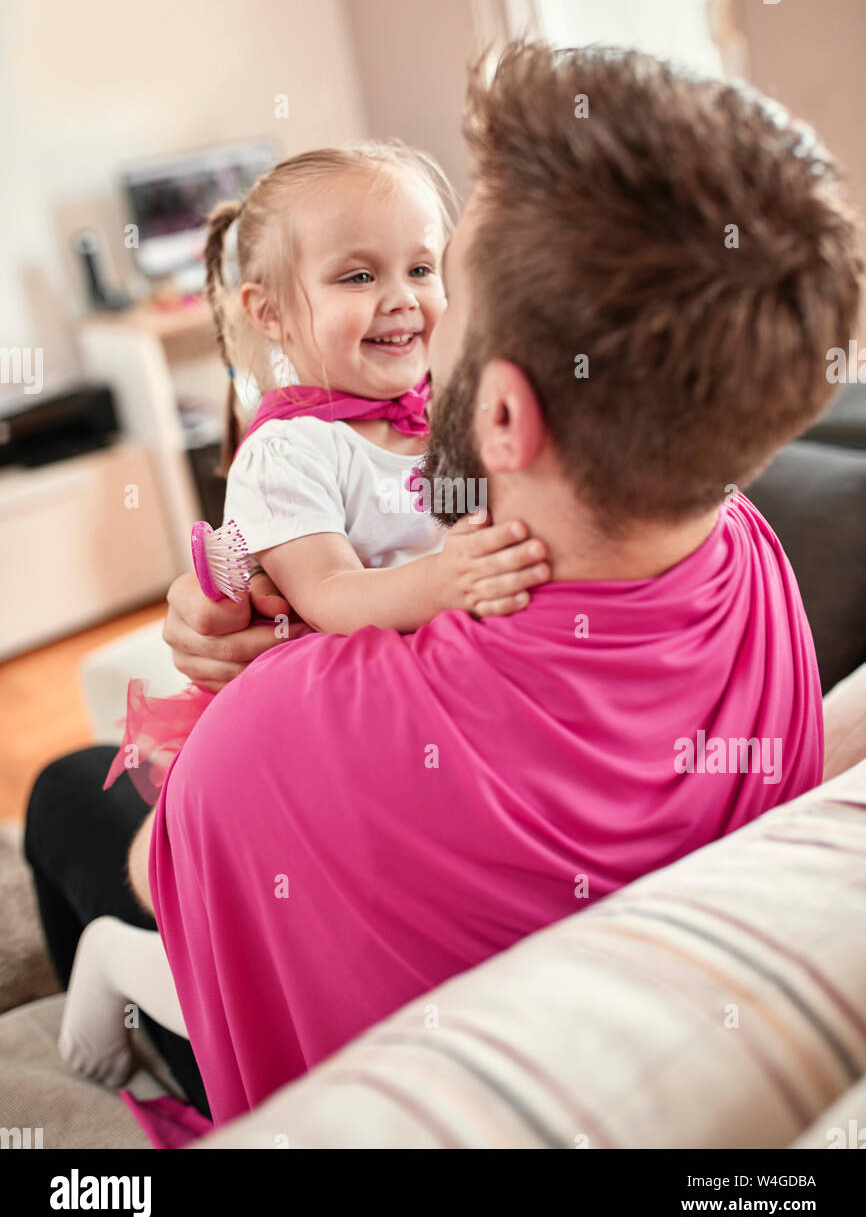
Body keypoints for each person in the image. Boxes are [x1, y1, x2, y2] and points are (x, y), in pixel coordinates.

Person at [27, 42, 863, 1131]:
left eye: (441, 279)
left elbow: (176, 873)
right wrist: (251, 590)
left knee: (63, 798)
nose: (414, 315)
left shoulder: (279, 732)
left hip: (277, 942)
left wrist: (257, 681)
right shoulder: (747, 562)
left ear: (506, 415)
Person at [55, 140, 550, 1094]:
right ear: (270, 312)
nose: (403, 296)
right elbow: (334, 599)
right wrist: (460, 574)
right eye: (358, 275)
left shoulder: (452, 405)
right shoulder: (288, 456)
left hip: (415, 741)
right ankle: (116, 964)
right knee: (257, 970)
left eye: (420, 266)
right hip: (315, 745)